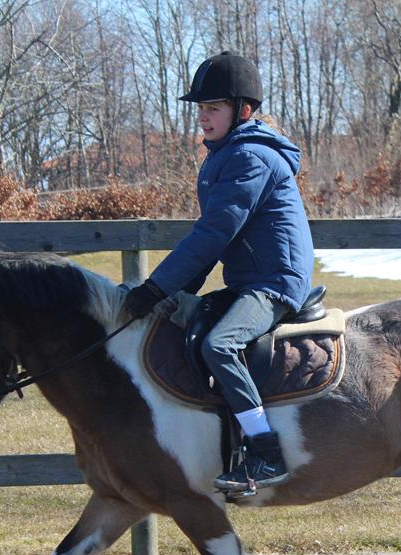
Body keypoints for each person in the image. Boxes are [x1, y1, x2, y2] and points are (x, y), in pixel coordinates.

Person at [123, 51, 314, 493]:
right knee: (173, 313)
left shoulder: (252, 159)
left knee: (220, 344)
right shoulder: (222, 157)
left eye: (213, 108)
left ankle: (266, 453)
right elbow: (214, 239)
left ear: (243, 110)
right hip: (249, 281)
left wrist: (156, 286)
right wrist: (168, 292)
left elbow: (214, 232)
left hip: (275, 283)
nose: (204, 118)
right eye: (201, 109)